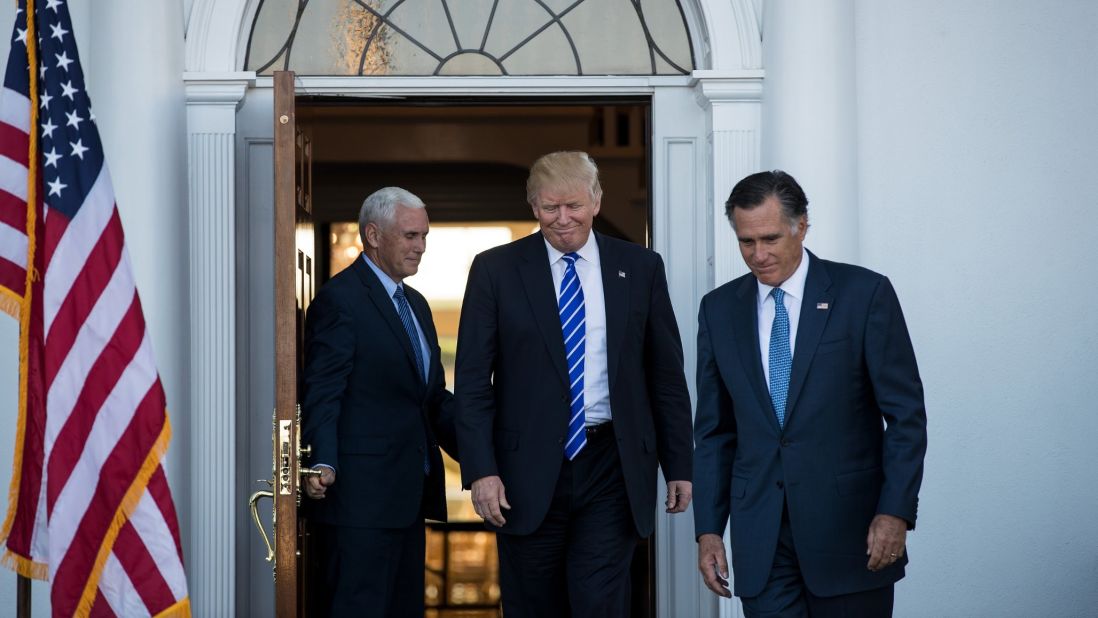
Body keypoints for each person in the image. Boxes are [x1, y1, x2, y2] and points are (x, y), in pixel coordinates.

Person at [455, 151, 694, 617]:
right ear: (533, 207)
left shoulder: (640, 267)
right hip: (524, 472)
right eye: (549, 208)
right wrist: (481, 471)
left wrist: (679, 464)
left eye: (574, 206)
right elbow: (471, 382)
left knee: (599, 602)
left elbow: (665, 375)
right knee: (533, 605)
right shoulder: (495, 270)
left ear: (597, 201)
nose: (562, 219)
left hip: (613, 463)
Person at [693, 170, 928, 617]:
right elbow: (715, 432)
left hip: (851, 536)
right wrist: (708, 529)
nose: (758, 255)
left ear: (802, 226)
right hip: (761, 539)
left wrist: (895, 512)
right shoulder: (719, 310)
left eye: (769, 238)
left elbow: (906, 418)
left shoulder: (864, 294)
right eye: (746, 242)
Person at [300, 186, 458, 617]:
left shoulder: (418, 305)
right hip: (357, 504)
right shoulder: (341, 300)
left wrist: (487, 452)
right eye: (410, 236)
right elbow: (323, 390)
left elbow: (431, 401)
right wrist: (323, 463)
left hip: (408, 501)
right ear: (373, 234)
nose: (420, 247)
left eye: (424, 236)